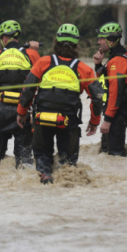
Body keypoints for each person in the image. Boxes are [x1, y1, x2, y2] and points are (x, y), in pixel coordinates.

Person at [16, 23, 103, 184]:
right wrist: (94, 122)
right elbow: (98, 97)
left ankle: (45, 176)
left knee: (42, 156)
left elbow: (27, 90)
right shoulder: (84, 69)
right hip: (68, 121)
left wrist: (21, 113)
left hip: (42, 118)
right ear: (76, 46)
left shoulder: (43, 62)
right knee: (68, 163)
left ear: (56, 42)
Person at [0, 20, 41, 170]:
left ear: (4, 38)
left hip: (1, 113)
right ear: (17, 37)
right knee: (25, 160)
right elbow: (42, 81)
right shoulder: (32, 54)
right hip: (24, 113)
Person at [93, 22, 127, 157]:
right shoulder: (115, 57)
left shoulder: (118, 61)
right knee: (105, 151)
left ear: (111, 40)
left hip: (117, 113)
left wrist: (107, 119)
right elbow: (105, 81)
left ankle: (122, 177)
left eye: (101, 38)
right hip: (115, 111)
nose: (98, 42)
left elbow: (115, 92)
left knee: (115, 155)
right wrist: (98, 65)